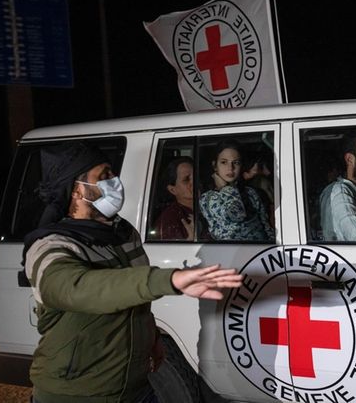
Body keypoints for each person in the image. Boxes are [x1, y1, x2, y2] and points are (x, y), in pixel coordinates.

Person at [22, 141, 243, 403]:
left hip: (135, 388)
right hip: (75, 394)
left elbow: (134, 298)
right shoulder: (51, 245)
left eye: (112, 173)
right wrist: (168, 279)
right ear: (76, 190)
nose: (114, 181)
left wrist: (151, 339)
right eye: (103, 177)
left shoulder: (123, 233)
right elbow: (74, 287)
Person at [199, 140, 274, 241]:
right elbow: (236, 214)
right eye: (224, 162)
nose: (231, 168)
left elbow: (265, 225)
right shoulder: (208, 198)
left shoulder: (250, 192)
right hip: (231, 253)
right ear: (215, 166)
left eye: (236, 162)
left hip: (260, 252)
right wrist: (225, 188)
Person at [153, 156, 195, 240]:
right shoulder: (169, 220)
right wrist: (191, 240)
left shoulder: (209, 206)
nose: (194, 182)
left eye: (196, 176)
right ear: (172, 190)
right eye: (186, 179)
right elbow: (170, 252)